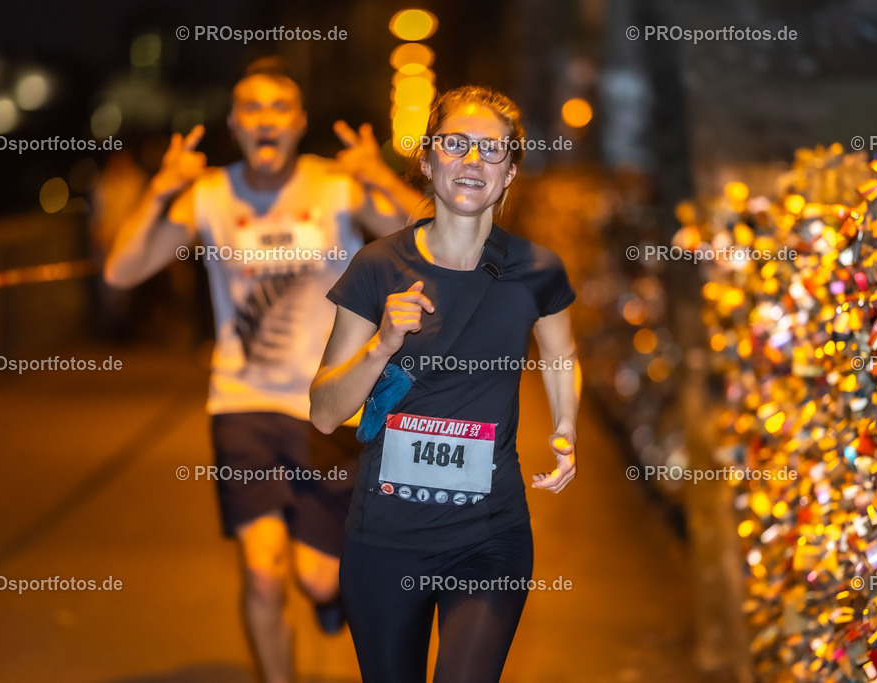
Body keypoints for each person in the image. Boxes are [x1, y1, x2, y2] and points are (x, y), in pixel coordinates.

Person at [104, 56, 424, 683]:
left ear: (299, 121)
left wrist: (379, 176)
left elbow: (436, 241)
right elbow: (120, 271)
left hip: (330, 406)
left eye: (279, 108)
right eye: (251, 109)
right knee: (260, 567)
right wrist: (159, 191)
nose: (265, 119)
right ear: (235, 124)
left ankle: (331, 599)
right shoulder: (211, 195)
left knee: (316, 574)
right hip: (243, 403)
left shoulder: (337, 187)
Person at [310, 85, 580, 682]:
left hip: (489, 536)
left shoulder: (537, 270)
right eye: (455, 144)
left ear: (510, 173)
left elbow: (561, 354)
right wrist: (382, 343)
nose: (473, 160)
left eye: (491, 149)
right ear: (428, 161)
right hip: (385, 539)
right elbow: (325, 412)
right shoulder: (377, 267)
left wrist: (565, 426)